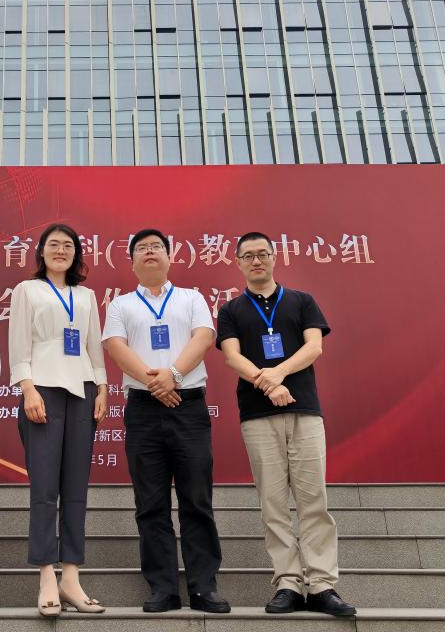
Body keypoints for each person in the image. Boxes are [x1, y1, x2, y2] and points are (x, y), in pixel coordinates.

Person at [216, 231, 356, 617]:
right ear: (238, 262)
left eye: (262, 254)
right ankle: (288, 582)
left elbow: (314, 346)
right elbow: (232, 357)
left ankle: (322, 584)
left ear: (274, 257)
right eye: (248, 255)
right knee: (273, 503)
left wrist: (278, 373)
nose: (256, 260)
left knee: (314, 501)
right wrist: (268, 383)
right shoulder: (231, 310)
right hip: (258, 416)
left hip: (305, 411)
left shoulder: (302, 301)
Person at [101, 228, 230, 614]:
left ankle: (204, 587)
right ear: (132, 263)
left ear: (170, 257)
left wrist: (172, 375)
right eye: (141, 248)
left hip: (188, 407)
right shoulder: (121, 304)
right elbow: (116, 347)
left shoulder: (191, 298)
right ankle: (163, 589)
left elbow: (203, 338)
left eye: (157, 247)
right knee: (150, 503)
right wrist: (155, 384)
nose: (150, 252)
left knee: (196, 499)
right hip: (143, 410)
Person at [10, 223, 108, 617]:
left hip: (83, 389)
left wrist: (103, 388)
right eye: (54, 244)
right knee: (45, 488)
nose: (61, 250)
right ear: (41, 251)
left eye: (68, 245)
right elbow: (19, 344)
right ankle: (47, 576)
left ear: (76, 253)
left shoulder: (86, 295)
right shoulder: (27, 290)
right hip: (43, 389)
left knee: (76, 488)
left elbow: (93, 345)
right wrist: (28, 389)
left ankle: (71, 577)